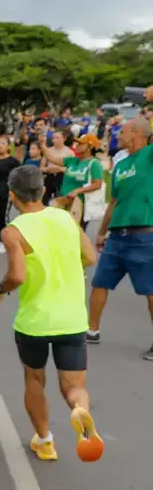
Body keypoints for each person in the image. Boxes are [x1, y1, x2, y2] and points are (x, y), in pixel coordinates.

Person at [0, 165, 102, 462]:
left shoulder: (13, 232)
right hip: (72, 319)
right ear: (42, 191)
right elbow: (91, 257)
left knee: (34, 379)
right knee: (74, 386)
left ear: (13, 196)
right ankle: (81, 414)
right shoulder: (66, 218)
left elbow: (16, 276)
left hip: (35, 322)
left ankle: (45, 441)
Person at [87, 116, 153, 355]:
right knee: (99, 283)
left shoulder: (149, 156)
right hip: (117, 236)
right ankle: (91, 330)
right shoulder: (122, 166)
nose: (118, 135)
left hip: (144, 236)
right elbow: (113, 201)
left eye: (122, 132)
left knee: (150, 290)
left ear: (136, 133)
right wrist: (102, 231)